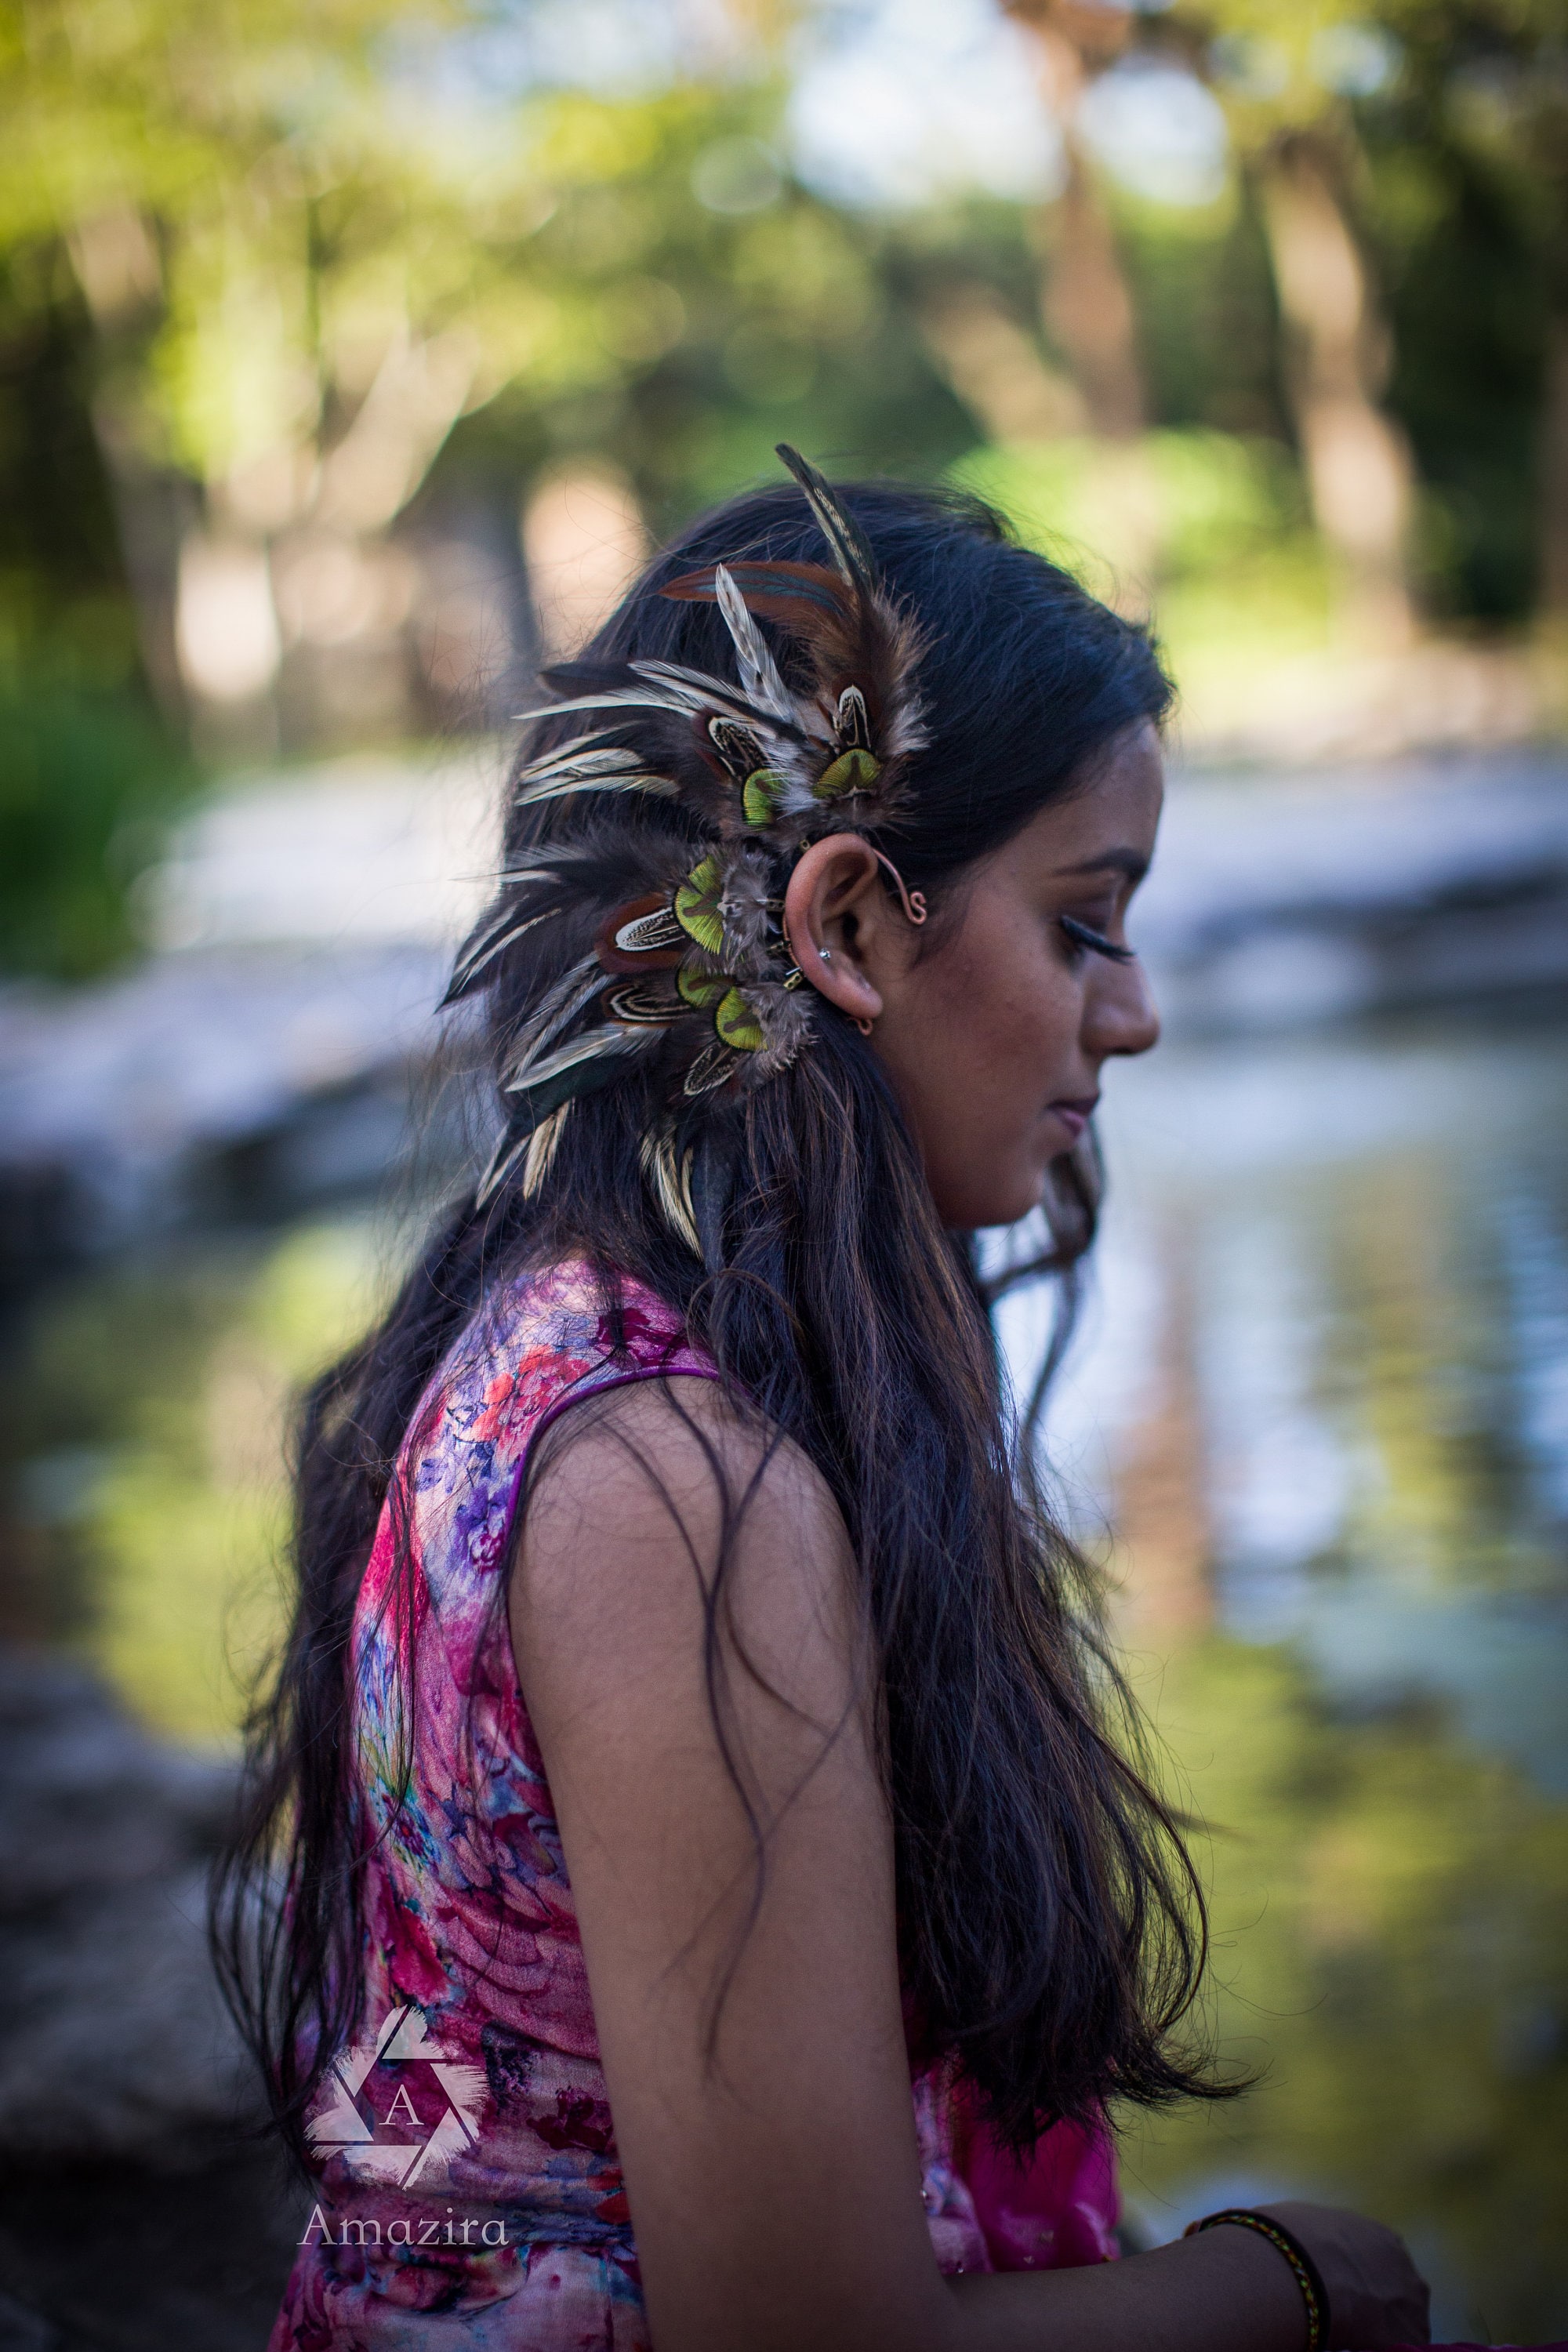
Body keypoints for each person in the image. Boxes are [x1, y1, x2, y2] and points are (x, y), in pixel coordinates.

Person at [220, 450, 1434, 2350]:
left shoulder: (595, 1355)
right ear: (849, 927)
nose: (1133, 1014)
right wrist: (1284, 2282)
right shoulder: (670, 1492)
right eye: (1087, 921)